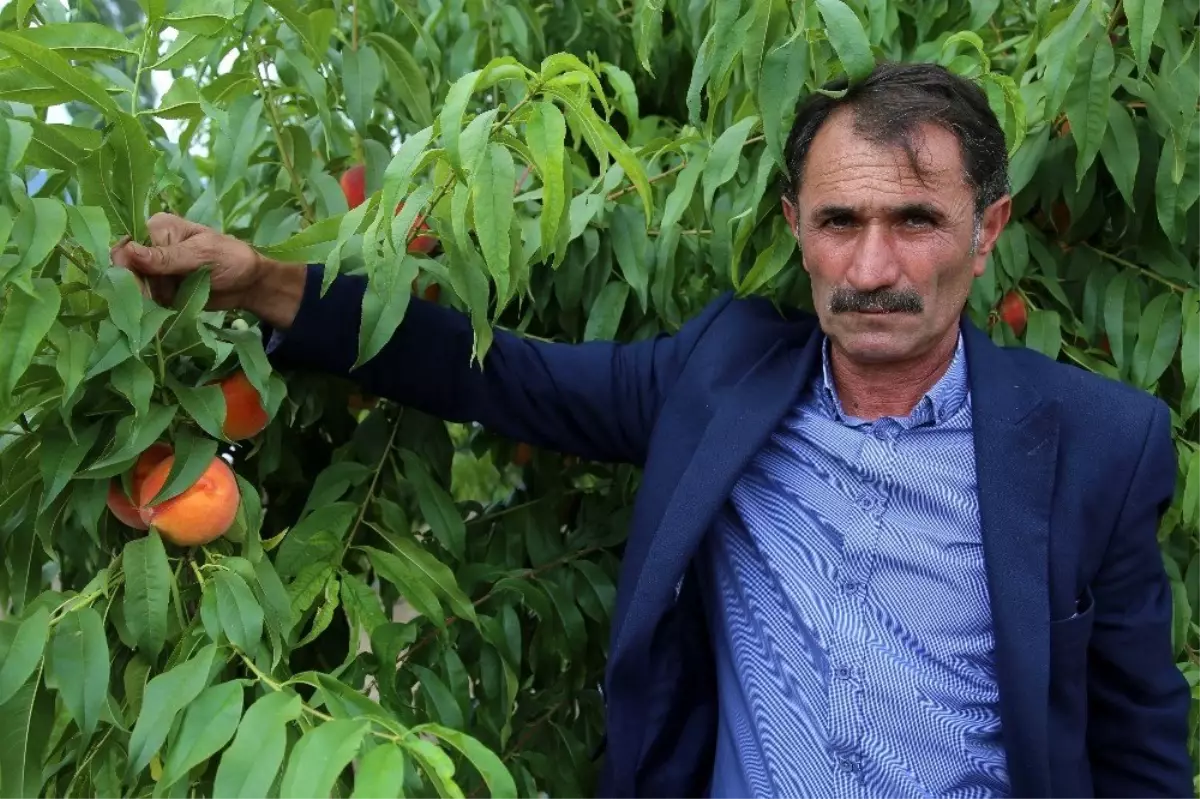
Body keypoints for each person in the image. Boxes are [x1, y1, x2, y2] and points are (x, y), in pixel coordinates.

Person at [113, 62, 1191, 797]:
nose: (872, 270)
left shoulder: (1095, 443)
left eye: (915, 222)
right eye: (840, 223)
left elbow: (1139, 738)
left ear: (988, 229)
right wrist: (262, 282)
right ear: (796, 231)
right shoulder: (721, 377)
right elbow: (501, 378)